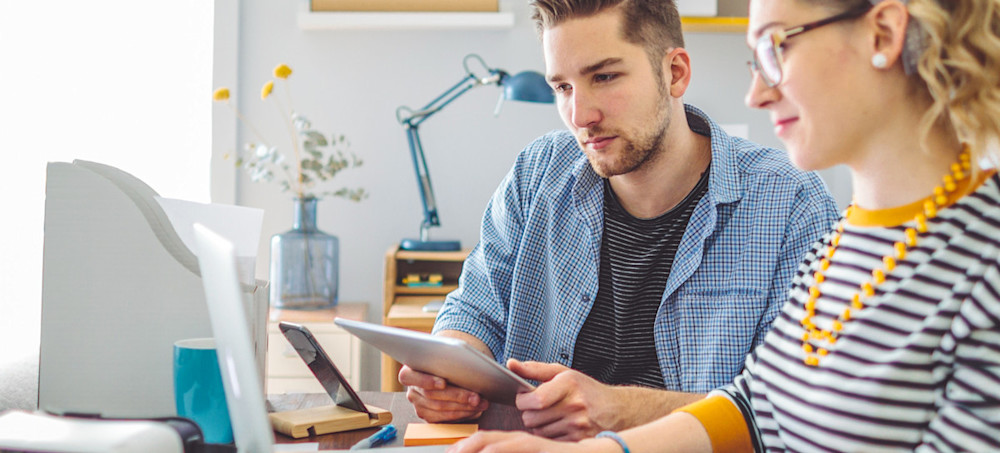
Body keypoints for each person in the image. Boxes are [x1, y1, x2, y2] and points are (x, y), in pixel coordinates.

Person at [449, 0, 1000, 451]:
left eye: (776, 47)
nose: (756, 94)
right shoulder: (850, 239)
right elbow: (761, 409)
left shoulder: (980, 264)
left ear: (882, 34)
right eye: (563, 87)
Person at [401, 0, 840, 439]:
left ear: (675, 73)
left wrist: (622, 409)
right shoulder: (537, 173)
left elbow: (792, 405)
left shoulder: (789, 202)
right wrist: (448, 371)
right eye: (563, 88)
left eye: (604, 77)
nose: (580, 116)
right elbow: (475, 309)